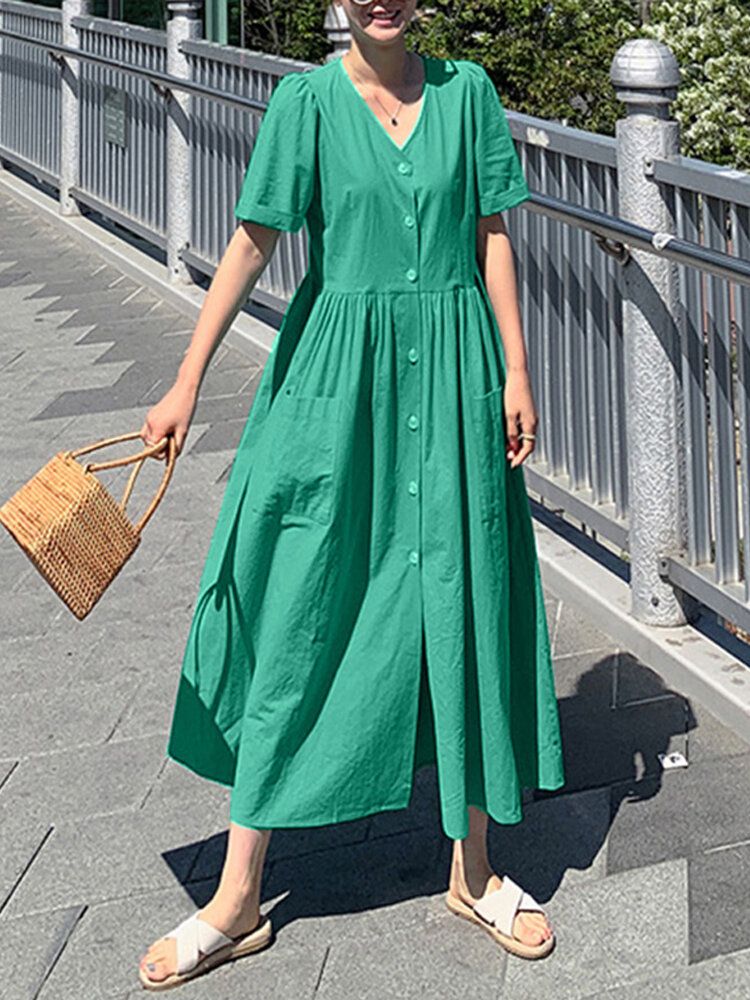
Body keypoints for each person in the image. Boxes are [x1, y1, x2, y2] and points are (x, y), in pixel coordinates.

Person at [137, 0, 565, 990]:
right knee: (297, 611)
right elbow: (252, 243)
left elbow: (492, 233)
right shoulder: (307, 103)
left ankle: (475, 868)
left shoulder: (469, 96)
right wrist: (186, 380)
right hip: (339, 396)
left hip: (455, 382)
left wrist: (517, 368)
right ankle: (239, 897)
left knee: (460, 608)